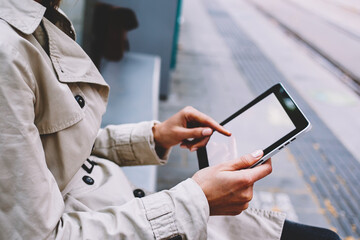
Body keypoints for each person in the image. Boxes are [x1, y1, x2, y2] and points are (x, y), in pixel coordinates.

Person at [0, 0, 341, 239]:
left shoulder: (37, 20)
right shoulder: (8, 53)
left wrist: (157, 136)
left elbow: (56, 152)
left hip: (123, 211)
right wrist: (196, 200)